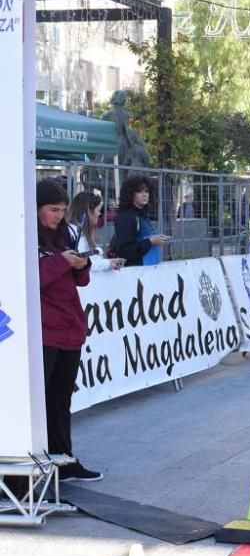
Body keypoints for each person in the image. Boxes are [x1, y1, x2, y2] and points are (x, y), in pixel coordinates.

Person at [36, 179, 102, 481]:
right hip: (42, 331)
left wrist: (80, 265)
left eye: (62, 210)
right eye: (52, 210)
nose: (58, 216)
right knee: (40, 400)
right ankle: (37, 463)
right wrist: (62, 263)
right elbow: (32, 278)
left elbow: (81, 281)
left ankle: (64, 459)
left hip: (69, 327)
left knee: (61, 398)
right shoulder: (23, 237)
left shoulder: (65, 234)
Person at [111, 176, 169, 267]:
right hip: (137, 272)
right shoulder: (126, 217)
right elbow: (125, 251)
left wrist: (156, 240)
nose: (144, 195)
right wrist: (150, 241)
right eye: (139, 191)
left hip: (150, 270)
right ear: (130, 194)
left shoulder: (143, 215)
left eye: (146, 191)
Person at [68, 192, 125, 272]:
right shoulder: (75, 232)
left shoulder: (82, 232)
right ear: (88, 212)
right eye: (98, 210)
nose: (99, 213)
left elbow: (88, 259)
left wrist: (110, 262)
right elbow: (80, 262)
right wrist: (107, 264)